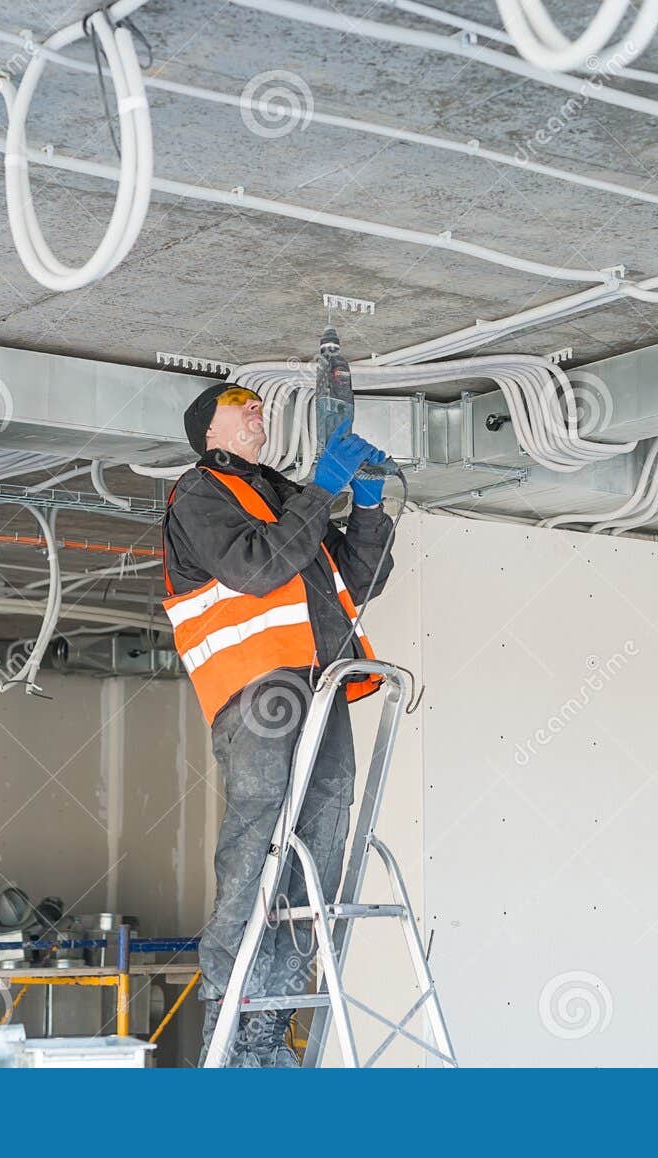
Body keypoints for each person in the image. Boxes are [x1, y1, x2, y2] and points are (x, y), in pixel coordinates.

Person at [160, 382, 395, 1066]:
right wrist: (320, 491)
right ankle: (228, 1024)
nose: (258, 408)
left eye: (260, 402)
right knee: (259, 843)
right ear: (208, 430)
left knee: (318, 843)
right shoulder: (199, 492)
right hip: (257, 690)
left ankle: (271, 1029)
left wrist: (368, 510)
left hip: (321, 683)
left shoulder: (283, 495)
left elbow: (356, 581)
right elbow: (258, 567)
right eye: (241, 403)